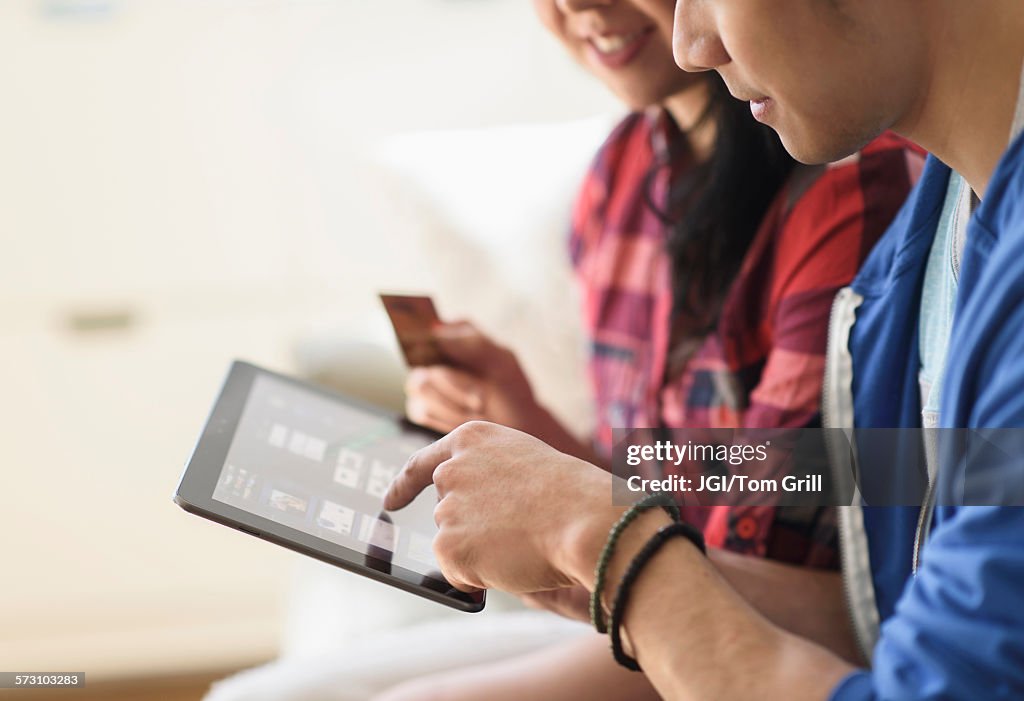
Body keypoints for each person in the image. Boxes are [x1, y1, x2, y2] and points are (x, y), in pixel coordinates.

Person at [382, 1, 1024, 699]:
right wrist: (565, 503)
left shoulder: (868, 217)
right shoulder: (924, 250)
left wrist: (600, 536)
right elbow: (871, 603)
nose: (693, 48)